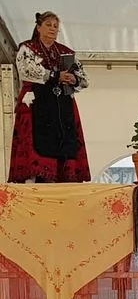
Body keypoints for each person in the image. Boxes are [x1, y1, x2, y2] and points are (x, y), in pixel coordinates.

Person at [8, 11, 91, 183]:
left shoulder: (65, 52)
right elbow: (27, 71)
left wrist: (73, 78)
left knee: (65, 140)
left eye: (55, 26)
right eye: (48, 25)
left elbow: (84, 79)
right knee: (34, 140)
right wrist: (55, 76)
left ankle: (62, 176)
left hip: (62, 105)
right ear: (38, 27)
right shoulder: (28, 48)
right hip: (37, 102)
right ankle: (35, 178)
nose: (52, 29)